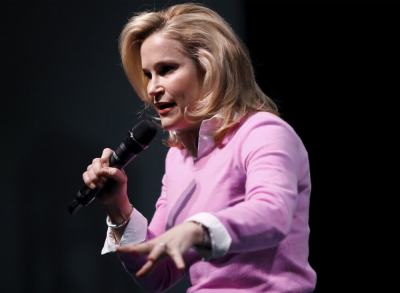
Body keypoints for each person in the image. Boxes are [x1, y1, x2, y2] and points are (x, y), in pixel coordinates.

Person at [82, 3, 317, 292]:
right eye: (148, 75)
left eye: (166, 69)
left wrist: (196, 230)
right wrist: (117, 205)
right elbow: (156, 274)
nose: (152, 88)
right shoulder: (178, 160)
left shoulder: (264, 132)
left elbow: (272, 213)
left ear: (209, 67)